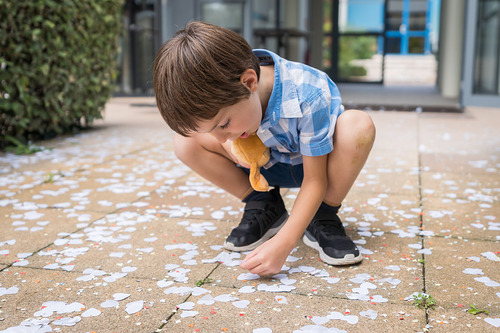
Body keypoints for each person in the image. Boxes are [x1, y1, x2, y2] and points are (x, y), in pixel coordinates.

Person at [153, 21, 375, 277]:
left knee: (358, 125)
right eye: (213, 130)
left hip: (319, 167)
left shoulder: (308, 92)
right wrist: (227, 136)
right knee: (185, 142)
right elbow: (218, 133)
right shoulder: (233, 97)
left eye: (223, 124)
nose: (222, 139)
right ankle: (264, 204)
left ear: (249, 82)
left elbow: (315, 180)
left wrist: (284, 244)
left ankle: (322, 215)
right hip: (268, 166)